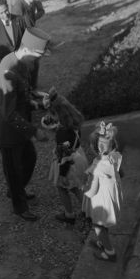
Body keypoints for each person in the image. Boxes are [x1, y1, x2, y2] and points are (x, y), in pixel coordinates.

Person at [0, 27, 50, 221]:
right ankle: (20, 206)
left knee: (29, 158)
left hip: (19, 128)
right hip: (7, 133)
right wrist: (34, 132)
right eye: (37, 56)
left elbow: (23, 94)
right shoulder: (7, 72)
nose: (37, 61)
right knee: (13, 170)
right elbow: (9, 114)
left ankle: (16, 190)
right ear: (26, 49)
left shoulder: (22, 63)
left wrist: (38, 102)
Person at [42, 87, 88, 224]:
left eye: (52, 114)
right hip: (78, 157)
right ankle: (89, 211)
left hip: (67, 163)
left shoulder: (62, 133)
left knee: (62, 187)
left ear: (59, 114)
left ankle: (69, 214)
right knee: (76, 187)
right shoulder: (74, 123)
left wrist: (62, 172)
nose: (51, 117)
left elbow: (63, 154)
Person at [82, 121, 123, 262]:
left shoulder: (99, 167)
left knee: (98, 224)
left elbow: (92, 190)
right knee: (104, 223)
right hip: (110, 195)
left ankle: (109, 252)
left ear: (97, 148)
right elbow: (119, 171)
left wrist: (84, 189)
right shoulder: (115, 155)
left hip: (101, 198)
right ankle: (103, 242)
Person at [11, 0, 45, 90]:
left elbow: (41, 11)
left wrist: (33, 18)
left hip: (32, 40)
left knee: (35, 65)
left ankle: (33, 88)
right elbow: (17, 32)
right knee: (27, 68)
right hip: (24, 44)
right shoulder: (18, 7)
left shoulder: (32, 2)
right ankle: (28, 90)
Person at [0, 0, 28, 74]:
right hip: (3, 64)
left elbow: (26, 39)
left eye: (6, 11)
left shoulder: (19, 19)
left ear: (8, 7)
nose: (5, 15)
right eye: (1, 13)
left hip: (20, 62)